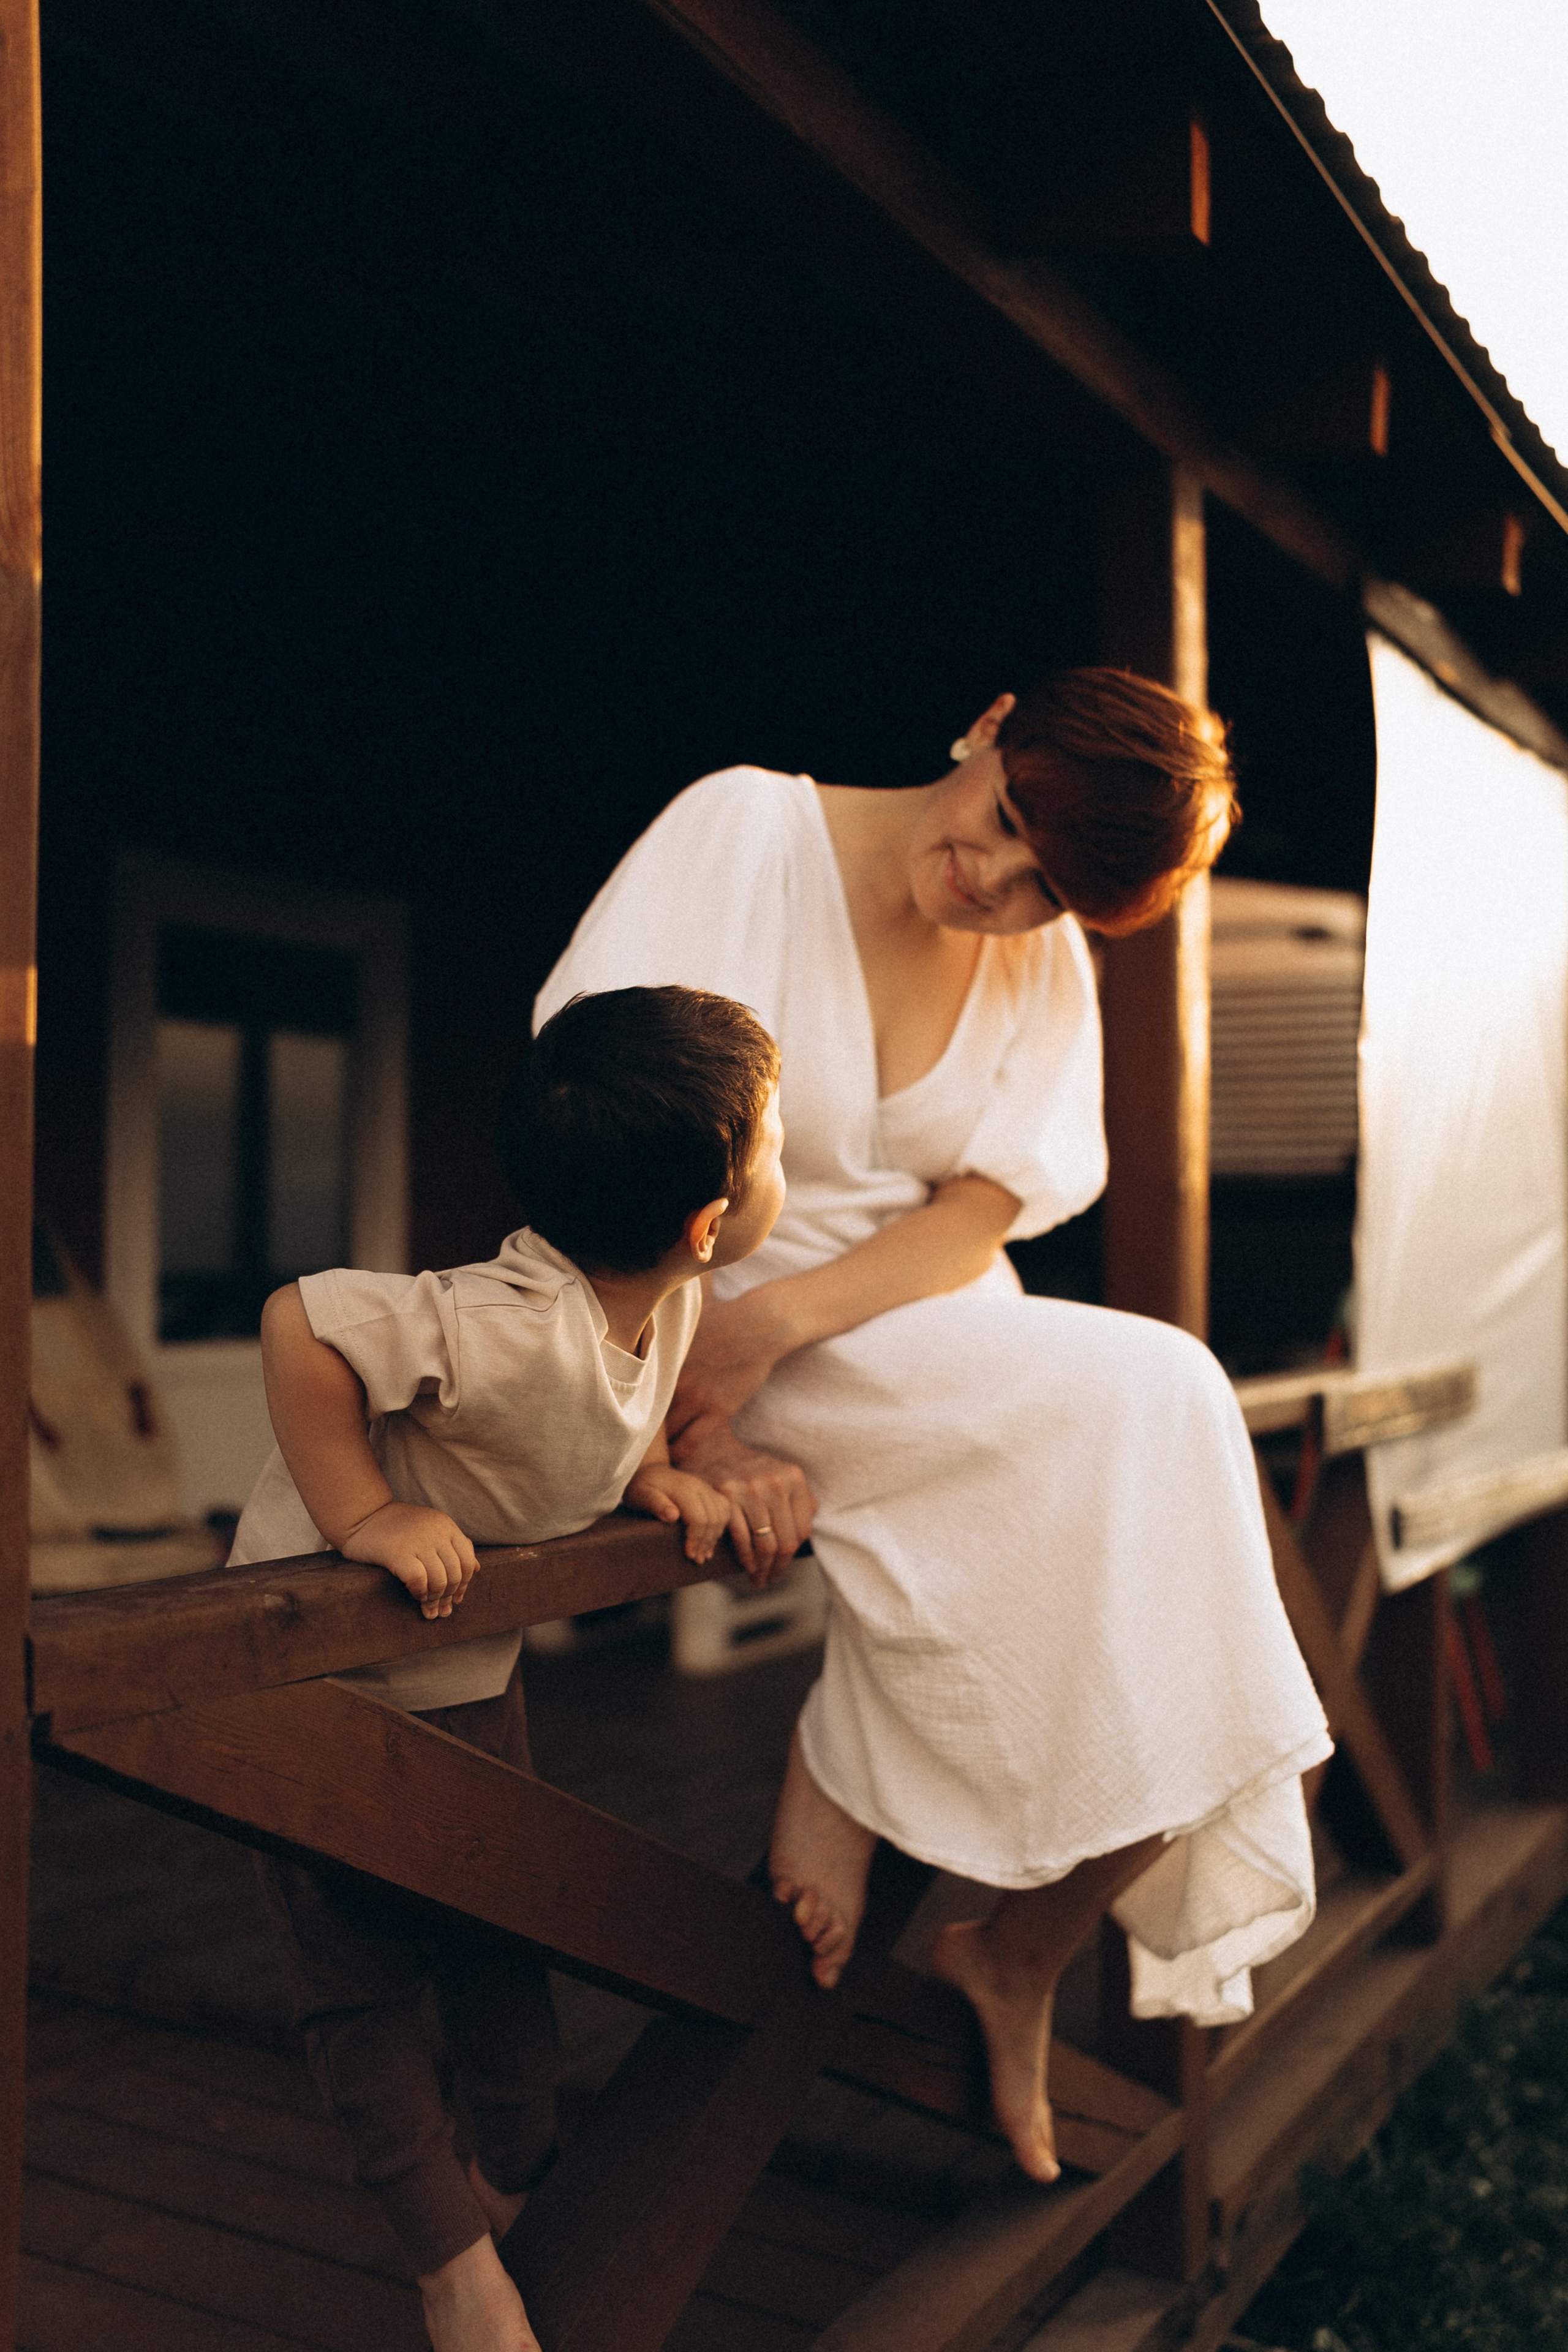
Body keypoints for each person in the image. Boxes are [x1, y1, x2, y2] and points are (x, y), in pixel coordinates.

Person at [534, 670, 1333, 2186]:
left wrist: (797, 1321)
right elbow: (591, 1119)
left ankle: (1018, 1946)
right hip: (698, 1297)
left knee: (1188, 1513)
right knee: (1159, 1400)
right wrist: (683, 1394)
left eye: (1047, 897)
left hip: (874, 1316)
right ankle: (857, 1748)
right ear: (988, 724)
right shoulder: (742, 831)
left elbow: (987, 1205)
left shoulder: (1030, 958)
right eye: (1008, 821)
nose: (993, 885)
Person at [227, 985, 785, 2352]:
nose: (789, 1166)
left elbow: (603, 1416)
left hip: (468, 1674)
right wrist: (364, 1515)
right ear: (708, 1219)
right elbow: (300, 1322)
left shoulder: (674, 1302)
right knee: (363, 1987)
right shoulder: (497, 1320)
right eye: (776, 1147)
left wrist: (653, 1478)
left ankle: (502, 2178)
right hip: (309, 1685)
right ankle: (451, 2270)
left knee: (501, 1938)